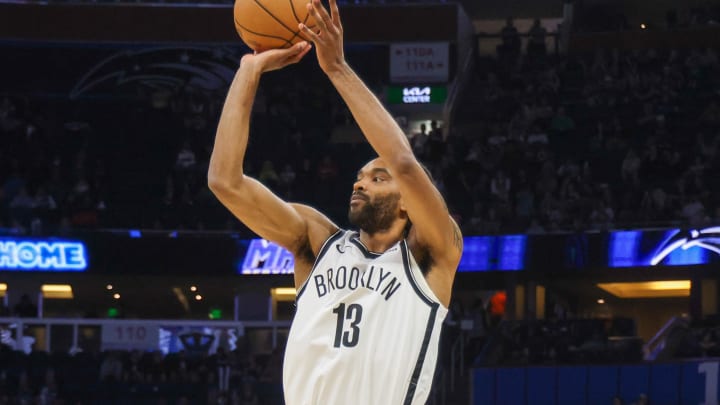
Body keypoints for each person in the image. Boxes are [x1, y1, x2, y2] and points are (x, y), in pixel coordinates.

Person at [207, 0, 462, 403]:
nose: (360, 184)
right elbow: (225, 181)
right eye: (359, 177)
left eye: (378, 179)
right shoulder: (317, 241)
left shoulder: (430, 255)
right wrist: (248, 72)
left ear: (407, 205)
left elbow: (404, 164)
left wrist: (337, 69)